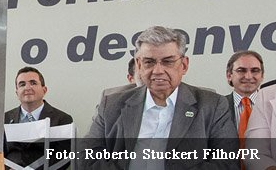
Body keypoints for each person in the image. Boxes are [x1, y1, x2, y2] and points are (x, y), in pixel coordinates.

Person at [81, 26, 238, 169]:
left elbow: (226, 162)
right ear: (139, 65)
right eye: (149, 62)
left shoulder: (212, 105)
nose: (158, 70)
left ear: (184, 65)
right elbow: (86, 159)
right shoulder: (112, 104)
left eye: (167, 62)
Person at [4, 67, 73, 169]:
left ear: (44, 90)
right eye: (22, 84)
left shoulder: (62, 119)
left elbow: (64, 156)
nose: (27, 88)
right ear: (17, 93)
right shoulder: (5, 118)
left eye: (33, 83)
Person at [224, 51, 263, 146]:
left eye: (255, 70)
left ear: (262, 76)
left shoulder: (271, 106)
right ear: (229, 76)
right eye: (241, 70)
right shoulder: (216, 107)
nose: (249, 76)